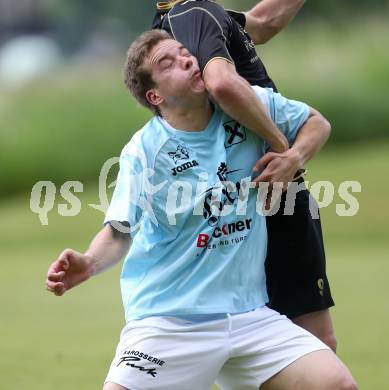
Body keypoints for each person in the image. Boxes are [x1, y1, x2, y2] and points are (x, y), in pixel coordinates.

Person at [46, 30, 357, 390]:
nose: (188, 60)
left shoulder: (247, 107)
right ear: (155, 95)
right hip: (170, 321)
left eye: (184, 53)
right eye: (169, 63)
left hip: (249, 315)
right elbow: (120, 230)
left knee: (337, 385)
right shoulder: (145, 152)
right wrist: (88, 262)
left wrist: (293, 158)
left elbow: (316, 123)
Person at [151, 0, 337, 351]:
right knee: (312, 340)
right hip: (268, 190)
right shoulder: (193, 11)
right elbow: (221, 83)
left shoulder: (186, 15)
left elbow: (263, 22)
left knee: (261, 344)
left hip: (241, 195)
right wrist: (282, 146)